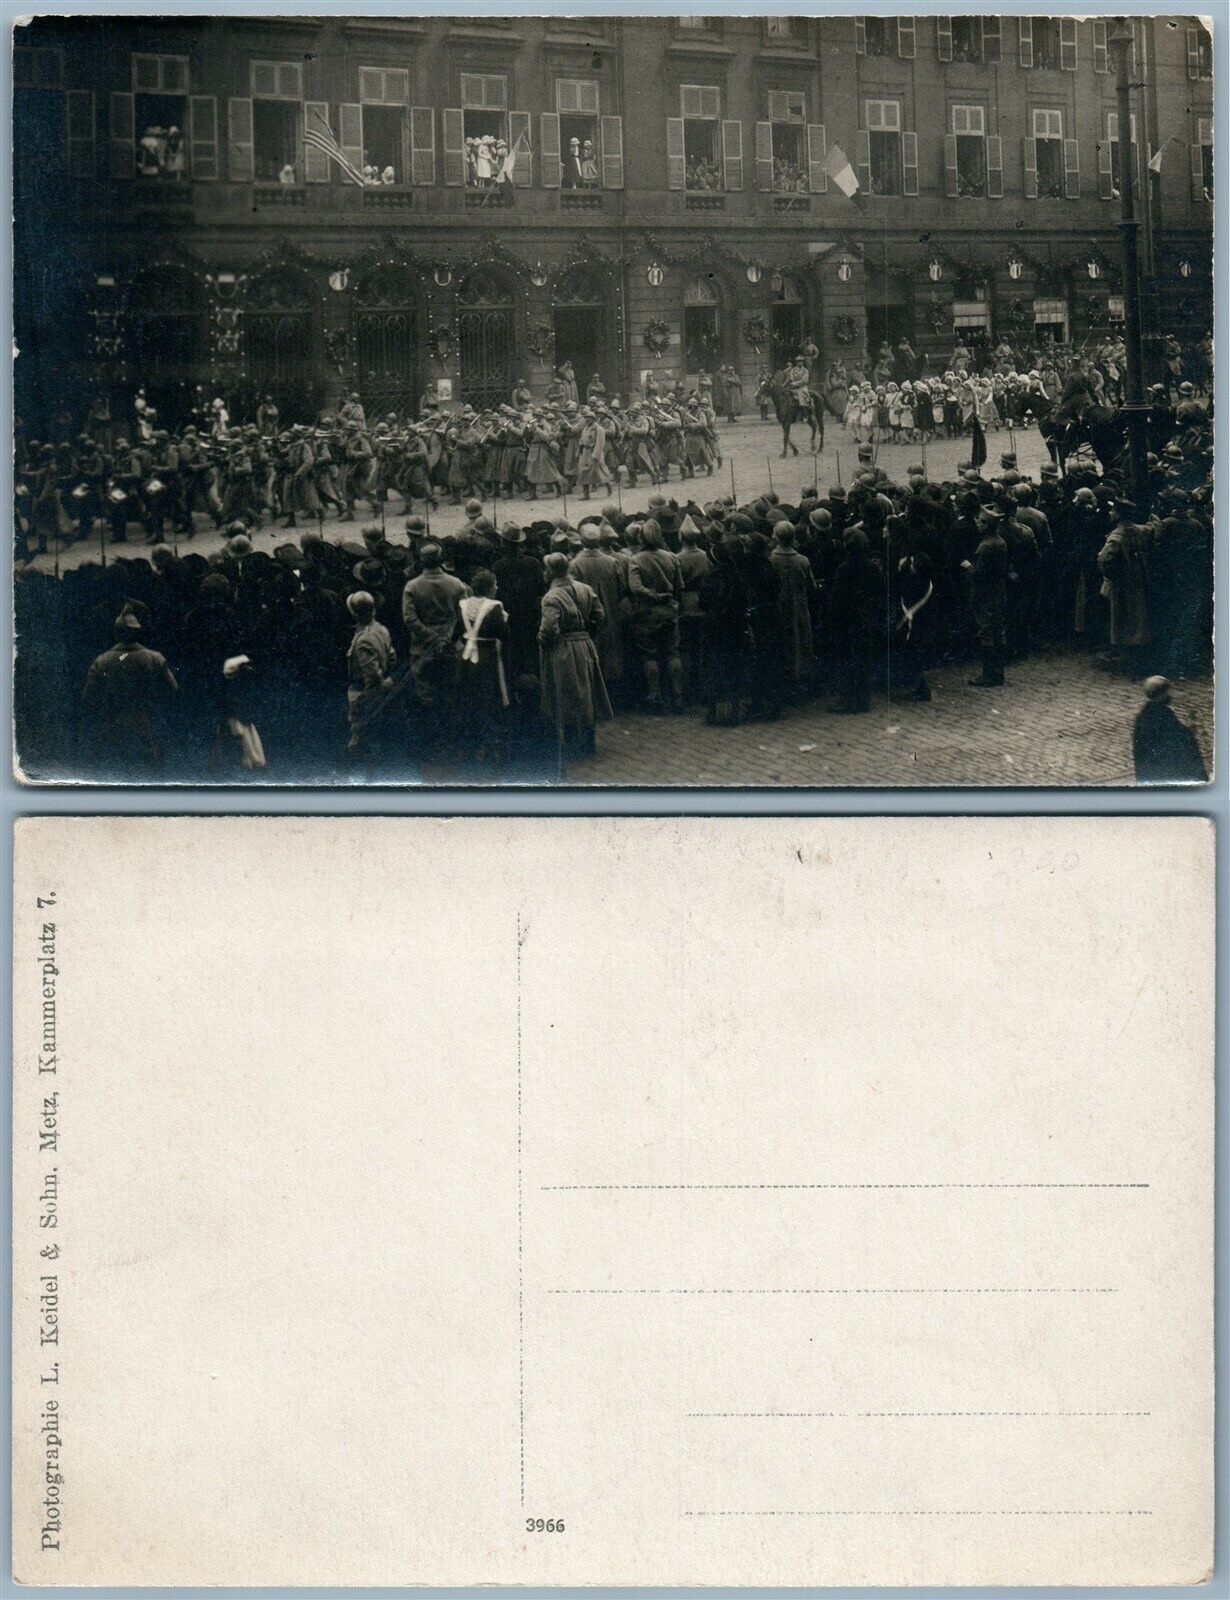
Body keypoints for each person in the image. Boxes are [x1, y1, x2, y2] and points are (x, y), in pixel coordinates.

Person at [81, 610, 178, 771]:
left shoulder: (102, 661)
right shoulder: (155, 659)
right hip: (147, 729)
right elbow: (173, 690)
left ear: (116, 632)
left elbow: (87, 696)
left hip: (112, 729)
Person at [537, 550, 612, 760]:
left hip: (564, 648)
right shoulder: (585, 588)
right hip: (585, 645)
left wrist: (542, 641)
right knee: (587, 692)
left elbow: (549, 629)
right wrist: (588, 634)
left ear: (550, 572)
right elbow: (600, 616)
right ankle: (588, 740)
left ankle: (571, 743)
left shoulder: (551, 597)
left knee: (567, 693)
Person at [401, 541, 470, 753]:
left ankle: (431, 744)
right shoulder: (457, 584)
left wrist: (431, 638)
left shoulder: (412, 586)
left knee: (426, 695)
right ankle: (451, 742)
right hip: (450, 649)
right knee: (451, 693)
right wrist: (446, 638)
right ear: (441, 559)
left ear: (421, 561)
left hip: (423, 649)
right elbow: (464, 617)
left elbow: (410, 619)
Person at [454, 568, 511, 771]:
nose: (496, 588)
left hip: (466, 660)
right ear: (489, 588)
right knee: (489, 700)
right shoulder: (493, 607)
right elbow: (504, 634)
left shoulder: (463, 605)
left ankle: (470, 750)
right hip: (487, 659)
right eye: (494, 585)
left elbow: (457, 632)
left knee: (468, 699)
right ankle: (490, 751)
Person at [345, 589, 397, 761]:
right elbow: (392, 657)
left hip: (363, 695)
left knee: (359, 743)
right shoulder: (381, 629)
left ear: (354, 614)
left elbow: (372, 676)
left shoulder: (363, 640)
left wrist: (367, 703)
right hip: (377, 691)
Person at [1132, 676, 1207, 785]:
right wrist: (1190, 729)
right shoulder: (1164, 714)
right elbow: (1178, 739)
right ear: (1161, 694)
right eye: (1167, 692)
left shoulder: (1142, 715)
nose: (1170, 695)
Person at [965, 506, 1009, 687]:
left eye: (981, 522)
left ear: (987, 524)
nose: (978, 524)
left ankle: (989, 674)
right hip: (998, 591)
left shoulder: (985, 546)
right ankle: (998, 672)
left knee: (986, 633)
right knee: (998, 631)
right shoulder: (1000, 542)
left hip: (985, 594)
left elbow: (979, 575)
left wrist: (968, 567)